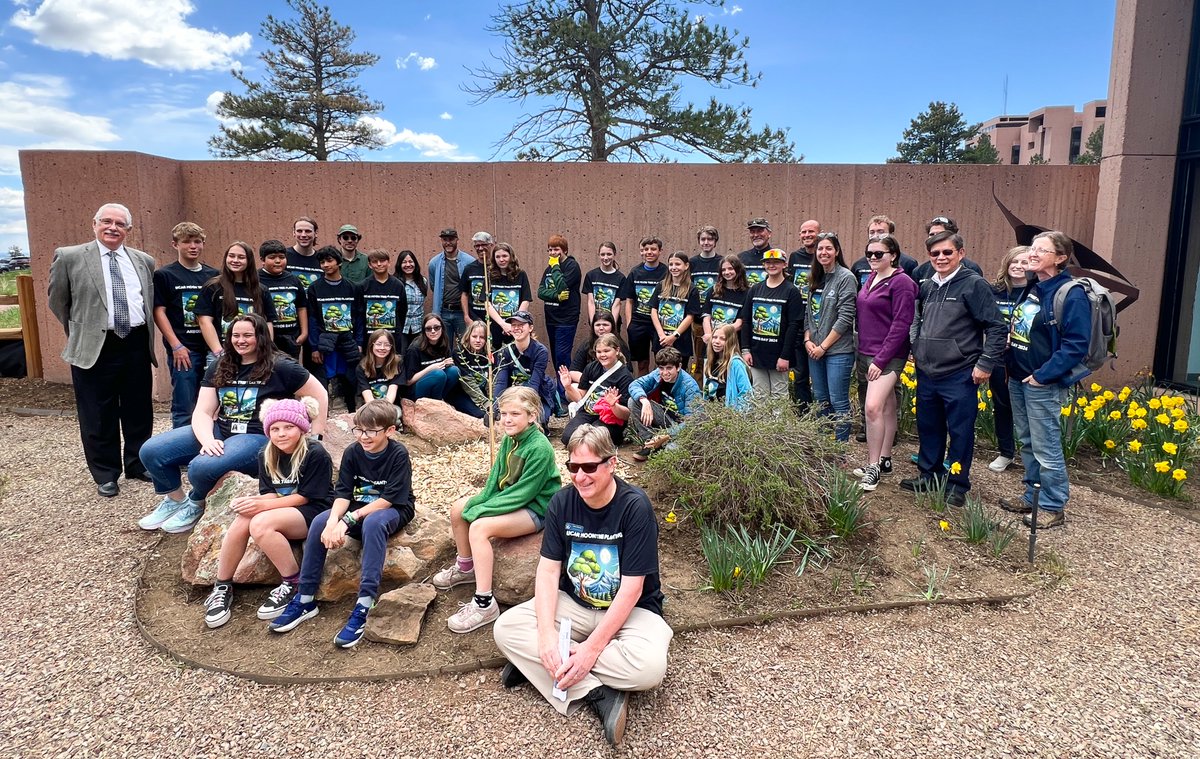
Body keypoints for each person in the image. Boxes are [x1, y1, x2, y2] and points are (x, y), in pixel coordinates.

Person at [493, 424, 672, 747]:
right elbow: (548, 573)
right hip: (575, 604)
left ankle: (542, 666)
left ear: (611, 463)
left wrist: (590, 650)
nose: (580, 477)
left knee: (650, 670)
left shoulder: (635, 507)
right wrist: (547, 636)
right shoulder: (562, 503)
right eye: (573, 467)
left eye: (589, 467)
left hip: (631, 610)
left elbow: (632, 588)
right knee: (505, 629)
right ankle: (596, 692)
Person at [137, 313, 328, 534]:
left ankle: (196, 501)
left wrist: (315, 437)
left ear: (261, 337)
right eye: (235, 335)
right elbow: (203, 411)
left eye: (248, 335)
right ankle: (175, 499)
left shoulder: (281, 366)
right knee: (151, 451)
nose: (241, 340)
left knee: (200, 468)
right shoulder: (220, 364)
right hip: (222, 430)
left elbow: (320, 395)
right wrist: (207, 440)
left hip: (258, 436)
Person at [270, 400, 414, 649]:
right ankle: (305, 598)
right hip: (357, 507)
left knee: (372, 524)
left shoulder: (398, 454)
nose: (364, 437)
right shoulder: (352, 452)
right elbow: (344, 494)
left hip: (392, 509)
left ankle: (365, 604)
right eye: (358, 430)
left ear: (390, 430)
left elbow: (388, 499)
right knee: (319, 521)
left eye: (372, 431)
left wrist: (349, 519)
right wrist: (333, 521)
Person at [48, 202, 158, 497]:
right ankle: (106, 473)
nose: (113, 227)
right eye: (106, 221)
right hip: (96, 345)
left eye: (120, 224)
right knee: (97, 411)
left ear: (129, 230)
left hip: (134, 341)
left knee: (138, 408)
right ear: (94, 224)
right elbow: (58, 302)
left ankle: (137, 463)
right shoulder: (70, 257)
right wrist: (83, 330)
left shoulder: (143, 260)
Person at [433, 386, 562, 633]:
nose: (508, 419)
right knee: (458, 508)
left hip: (536, 509)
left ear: (532, 415)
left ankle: (484, 604)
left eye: (515, 413)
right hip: (512, 500)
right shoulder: (508, 440)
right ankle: (466, 566)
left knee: (480, 527)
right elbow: (495, 481)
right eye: (503, 414)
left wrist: (482, 511)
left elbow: (524, 493)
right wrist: (478, 502)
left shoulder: (539, 447)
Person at [202, 396, 332, 628]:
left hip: (314, 511)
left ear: (302, 428)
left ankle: (292, 582)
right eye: (275, 428)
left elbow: (306, 496)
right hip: (285, 509)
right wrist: (253, 502)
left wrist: (262, 506)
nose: (281, 433)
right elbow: (271, 493)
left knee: (260, 523)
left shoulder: (315, 453)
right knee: (245, 518)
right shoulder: (267, 453)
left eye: (288, 427)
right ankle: (222, 585)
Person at [900, 231, 1006, 506]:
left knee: (960, 431)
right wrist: (917, 348)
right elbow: (918, 321)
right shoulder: (928, 286)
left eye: (947, 252)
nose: (941, 258)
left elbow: (996, 327)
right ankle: (929, 474)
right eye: (935, 253)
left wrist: (985, 363)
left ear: (960, 253)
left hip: (959, 372)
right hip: (928, 372)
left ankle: (957, 483)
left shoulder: (973, 285)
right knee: (929, 426)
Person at [999, 232, 1091, 530]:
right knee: (1027, 440)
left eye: (1042, 250)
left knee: (1046, 444)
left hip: (1042, 381)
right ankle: (1032, 494)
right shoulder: (1034, 287)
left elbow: (1076, 345)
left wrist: (1042, 376)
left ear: (1061, 257)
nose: (1033, 253)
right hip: (1018, 376)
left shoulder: (1070, 293)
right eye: (1033, 248)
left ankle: (1052, 505)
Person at [852, 235, 917, 490]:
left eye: (879, 254)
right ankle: (885, 459)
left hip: (888, 356)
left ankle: (872, 467)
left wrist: (881, 360)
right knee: (888, 406)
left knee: (872, 408)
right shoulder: (871, 278)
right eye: (869, 254)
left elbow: (902, 324)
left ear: (893, 255)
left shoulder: (902, 283)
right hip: (867, 351)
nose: (873, 258)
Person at [153, 221, 219, 427]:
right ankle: (180, 453)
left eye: (197, 241)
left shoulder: (213, 275)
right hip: (184, 350)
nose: (193, 246)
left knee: (212, 403)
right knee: (185, 404)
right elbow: (159, 312)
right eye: (187, 242)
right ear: (175, 245)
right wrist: (176, 346)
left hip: (211, 350)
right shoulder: (165, 275)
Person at [804, 233, 857, 441]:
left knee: (838, 401)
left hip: (837, 352)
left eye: (828, 248)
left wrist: (823, 347)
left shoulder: (846, 278)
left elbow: (845, 318)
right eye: (820, 249)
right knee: (820, 399)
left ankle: (840, 449)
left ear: (836, 251)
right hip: (814, 349)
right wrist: (808, 340)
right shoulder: (815, 278)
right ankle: (822, 445)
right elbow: (808, 314)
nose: (823, 252)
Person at [195, 241, 276, 368]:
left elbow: (268, 323)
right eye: (231, 256)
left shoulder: (261, 290)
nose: (235, 260)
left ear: (249, 261)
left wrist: (266, 350)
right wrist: (218, 352)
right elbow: (204, 321)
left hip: (254, 356)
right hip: (221, 353)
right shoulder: (212, 287)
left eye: (241, 257)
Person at [986, 246, 1031, 473]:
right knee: (1002, 405)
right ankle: (1006, 452)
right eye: (1014, 262)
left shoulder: (1036, 292)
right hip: (998, 357)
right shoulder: (996, 291)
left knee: (1027, 409)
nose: (1018, 266)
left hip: (1026, 359)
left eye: (1024, 262)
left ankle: (1031, 457)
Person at [307, 246, 365, 412]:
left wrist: (359, 341)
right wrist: (314, 346)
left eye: (329, 261)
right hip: (325, 344)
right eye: (322, 262)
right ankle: (325, 417)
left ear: (339, 262)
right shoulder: (314, 288)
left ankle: (352, 413)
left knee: (350, 380)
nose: (326, 265)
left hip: (348, 342)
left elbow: (359, 316)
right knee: (324, 381)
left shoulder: (353, 287)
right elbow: (312, 318)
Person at [739, 248, 803, 398]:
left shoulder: (791, 291)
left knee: (778, 397)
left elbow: (794, 325)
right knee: (759, 396)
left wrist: (785, 356)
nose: (772, 265)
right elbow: (746, 320)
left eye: (776, 262)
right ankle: (761, 423)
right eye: (768, 262)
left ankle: (779, 423)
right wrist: (746, 350)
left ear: (784, 264)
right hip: (757, 354)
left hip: (779, 356)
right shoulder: (755, 289)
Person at [627, 347, 701, 461]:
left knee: (670, 453)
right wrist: (644, 400)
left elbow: (692, 423)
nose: (665, 373)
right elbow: (634, 385)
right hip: (665, 417)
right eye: (661, 368)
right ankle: (650, 443)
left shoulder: (690, 387)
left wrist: (666, 435)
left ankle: (662, 444)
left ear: (679, 367)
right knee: (634, 401)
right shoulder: (657, 374)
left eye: (669, 368)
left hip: (681, 427)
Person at [558, 333, 634, 445]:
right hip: (588, 412)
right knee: (568, 438)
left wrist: (614, 405)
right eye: (599, 352)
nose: (602, 355)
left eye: (606, 351)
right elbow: (580, 398)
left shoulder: (625, 376)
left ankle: (617, 437)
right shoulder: (591, 367)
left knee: (592, 440)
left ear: (617, 350)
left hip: (609, 418)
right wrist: (568, 386)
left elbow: (627, 414)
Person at [537, 234, 583, 406]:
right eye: (550, 249)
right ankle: (560, 392)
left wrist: (556, 267)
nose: (552, 252)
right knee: (556, 357)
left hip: (566, 318)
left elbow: (564, 287)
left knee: (562, 356)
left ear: (564, 250)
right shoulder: (549, 267)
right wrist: (555, 295)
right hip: (551, 317)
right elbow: (541, 292)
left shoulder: (571, 266)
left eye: (556, 249)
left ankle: (565, 395)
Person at [405, 313, 477, 416]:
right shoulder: (415, 349)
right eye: (428, 329)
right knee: (438, 374)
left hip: (437, 387)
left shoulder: (444, 342)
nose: (433, 331)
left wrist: (447, 364)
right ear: (424, 331)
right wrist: (431, 368)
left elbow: (449, 369)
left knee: (454, 371)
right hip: (417, 390)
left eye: (437, 327)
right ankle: (437, 403)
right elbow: (408, 381)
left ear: (442, 328)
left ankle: (438, 403)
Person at [494, 310, 557, 425]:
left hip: (537, 394)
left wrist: (524, 409)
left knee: (538, 421)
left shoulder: (540, 351)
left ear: (530, 328)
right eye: (514, 325)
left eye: (521, 325)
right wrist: (495, 405)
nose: (517, 328)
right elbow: (501, 382)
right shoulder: (505, 352)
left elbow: (534, 384)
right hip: (512, 394)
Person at [618, 236, 668, 377]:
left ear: (660, 251)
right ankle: (642, 394)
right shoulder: (635, 272)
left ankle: (660, 394)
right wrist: (630, 324)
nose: (649, 252)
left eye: (653, 249)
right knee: (642, 363)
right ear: (642, 252)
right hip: (639, 323)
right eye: (646, 249)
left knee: (662, 362)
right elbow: (629, 300)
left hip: (659, 324)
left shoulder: (666, 272)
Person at [788, 219, 820, 407]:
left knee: (818, 377)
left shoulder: (824, 256)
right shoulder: (795, 257)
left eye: (811, 232)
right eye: (803, 232)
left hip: (818, 323)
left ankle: (822, 415)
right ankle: (803, 413)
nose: (807, 235)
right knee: (800, 375)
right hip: (798, 321)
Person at [649, 251, 702, 367]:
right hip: (661, 340)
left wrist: (674, 336)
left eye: (677, 264)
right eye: (671, 264)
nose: (674, 268)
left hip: (681, 341)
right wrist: (661, 335)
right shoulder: (661, 286)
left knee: (678, 374)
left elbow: (690, 316)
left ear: (686, 266)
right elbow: (653, 310)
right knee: (661, 373)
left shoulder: (692, 289)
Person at [258, 239, 308, 360]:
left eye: (281, 257)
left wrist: (304, 333)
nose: (278, 261)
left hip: (291, 337)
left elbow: (301, 307)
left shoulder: (294, 280)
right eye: (272, 257)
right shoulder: (255, 279)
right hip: (265, 336)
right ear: (262, 260)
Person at [428, 227, 476, 345]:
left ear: (457, 240)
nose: (448, 242)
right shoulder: (434, 263)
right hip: (443, 312)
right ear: (441, 241)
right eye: (445, 239)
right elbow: (434, 286)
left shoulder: (469, 262)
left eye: (451, 239)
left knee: (465, 346)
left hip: (462, 313)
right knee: (444, 346)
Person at [910, 216, 984, 286]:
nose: (935, 238)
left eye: (947, 252)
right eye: (932, 234)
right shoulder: (920, 271)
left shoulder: (972, 269)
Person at [848, 215, 919, 286]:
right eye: (872, 232)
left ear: (891, 234)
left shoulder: (908, 263)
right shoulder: (858, 265)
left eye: (880, 232)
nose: (876, 235)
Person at [689, 226, 722, 376]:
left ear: (715, 242)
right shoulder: (692, 263)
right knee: (700, 359)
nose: (706, 242)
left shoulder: (722, 262)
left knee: (720, 358)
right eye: (703, 239)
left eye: (710, 239)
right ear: (699, 241)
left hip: (718, 319)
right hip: (697, 319)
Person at [360, 249, 407, 351]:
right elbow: (359, 313)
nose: (379, 264)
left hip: (393, 339)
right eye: (375, 262)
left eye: (382, 260)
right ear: (369, 265)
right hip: (369, 339)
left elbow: (403, 312)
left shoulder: (398, 285)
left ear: (389, 262)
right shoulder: (363, 286)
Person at [487, 242, 533, 345]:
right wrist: (503, 324)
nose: (501, 259)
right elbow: (487, 303)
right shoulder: (489, 276)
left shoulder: (521, 274)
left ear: (511, 257)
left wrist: (514, 324)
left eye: (504, 256)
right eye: (498, 257)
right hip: (495, 326)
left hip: (516, 327)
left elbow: (526, 300)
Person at [570, 310, 630, 384]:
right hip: (590, 384)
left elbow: (628, 372)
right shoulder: (587, 344)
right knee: (573, 387)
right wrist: (593, 383)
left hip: (613, 388)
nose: (601, 328)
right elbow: (573, 371)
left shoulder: (620, 345)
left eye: (605, 325)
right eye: (598, 325)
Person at [703, 324, 753, 409]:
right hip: (711, 415)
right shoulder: (711, 361)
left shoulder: (736, 364)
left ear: (730, 341)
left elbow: (746, 394)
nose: (717, 341)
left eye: (722, 339)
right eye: (714, 337)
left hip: (729, 415)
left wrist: (736, 416)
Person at [703, 255, 748, 344]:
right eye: (723, 270)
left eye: (730, 269)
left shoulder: (747, 293)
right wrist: (709, 335)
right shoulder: (713, 290)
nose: (727, 272)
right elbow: (706, 317)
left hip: (732, 342)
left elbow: (739, 324)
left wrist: (718, 336)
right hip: (711, 341)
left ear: (738, 269)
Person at [455, 320, 494, 419]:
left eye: (482, 337)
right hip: (464, 393)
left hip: (483, 393)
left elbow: (492, 381)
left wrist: (494, 402)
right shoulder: (459, 353)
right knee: (481, 415)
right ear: (468, 336)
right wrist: (485, 403)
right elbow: (468, 383)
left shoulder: (490, 354)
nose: (478, 340)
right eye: (474, 336)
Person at [356, 329, 404, 407]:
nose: (382, 348)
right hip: (371, 406)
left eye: (387, 345)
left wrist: (385, 409)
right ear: (371, 345)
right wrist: (376, 411)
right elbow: (366, 392)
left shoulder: (398, 363)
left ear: (392, 347)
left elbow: (393, 388)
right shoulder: (362, 367)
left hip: (391, 406)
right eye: (378, 344)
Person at [582, 242, 624, 325]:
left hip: (612, 323)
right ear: (599, 255)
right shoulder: (591, 275)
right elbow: (591, 302)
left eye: (609, 254)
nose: (605, 258)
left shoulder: (621, 278)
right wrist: (593, 324)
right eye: (602, 254)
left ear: (614, 254)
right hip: (596, 322)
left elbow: (617, 305)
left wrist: (612, 327)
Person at [461, 232, 494, 337]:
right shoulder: (469, 269)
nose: (480, 248)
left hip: (494, 319)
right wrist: (466, 316)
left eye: (483, 245)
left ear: (491, 245)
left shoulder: (498, 268)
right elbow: (464, 294)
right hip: (475, 318)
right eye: (477, 246)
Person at [396, 249, 428, 354]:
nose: (408, 265)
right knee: (402, 356)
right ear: (399, 264)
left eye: (410, 261)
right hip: (401, 328)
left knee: (417, 355)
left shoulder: (423, 281)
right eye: (404, 262)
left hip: (418, 328)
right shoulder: (395, 282)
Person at [285, 216, 322, 290]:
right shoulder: (283, 256)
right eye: (299, 231)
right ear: (293, 233)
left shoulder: (322, 259)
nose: (303, 235)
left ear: (316, 233)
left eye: (308, 231)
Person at [738, 217, 775, 287]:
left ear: (769, 234)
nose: (755, 235)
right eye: (752, 232)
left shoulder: (776, 257)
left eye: (760, 231)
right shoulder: (741, 257)